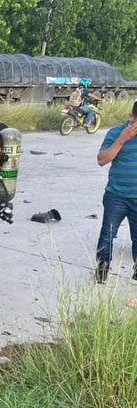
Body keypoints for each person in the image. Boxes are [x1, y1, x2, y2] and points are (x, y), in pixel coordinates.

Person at [94, 100, 137, 283]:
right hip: (116, 196)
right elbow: (102, 160)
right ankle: (102, 269)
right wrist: (122, 140)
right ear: (131, 117)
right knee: (107, 234)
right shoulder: (115, 133)